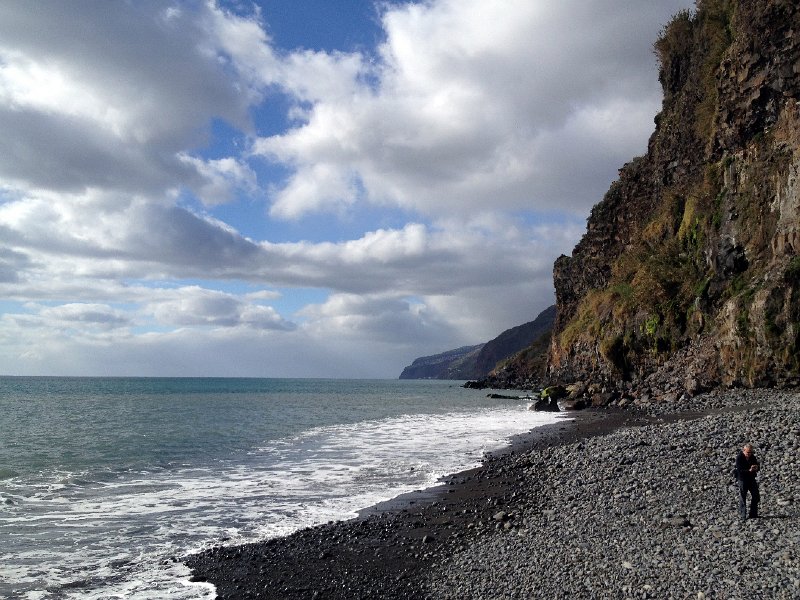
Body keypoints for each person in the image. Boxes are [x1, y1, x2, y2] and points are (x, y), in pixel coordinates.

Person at [735, 443, 760, 520]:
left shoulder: (752, 457)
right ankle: (743, 515)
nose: (749, 454)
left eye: (751, 452)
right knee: (743, 497)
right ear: (744, 451)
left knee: (756, 495)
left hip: (751, 479)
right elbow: (739, 470)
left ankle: (753, 514)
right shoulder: (739, 457)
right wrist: (749, 470)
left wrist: (756, 467)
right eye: (748, 452)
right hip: (742, 479)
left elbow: (757, 465)